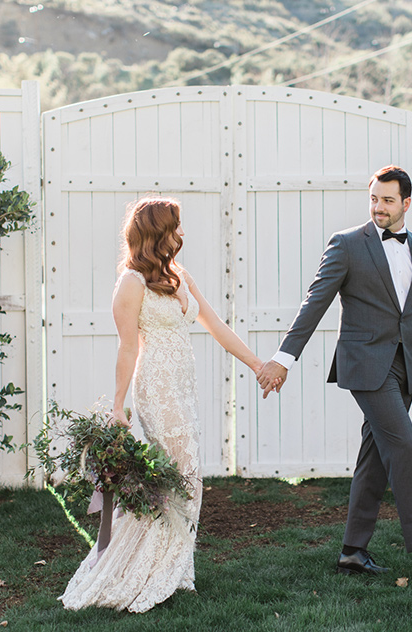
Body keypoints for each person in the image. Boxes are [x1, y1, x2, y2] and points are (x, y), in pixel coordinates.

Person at [60, 196, 270, 613]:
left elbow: (216, 326)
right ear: (157, 234)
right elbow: (125, 348)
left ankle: (171, 570)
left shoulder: (178, 275)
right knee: (185, 480)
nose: (182, 233)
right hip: (156, 388)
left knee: (182, 482)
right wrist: (118, 407)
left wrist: (258, 364)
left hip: (183, 388)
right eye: (175, 226)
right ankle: (141, 573)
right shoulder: (131, 282)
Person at [258, 165, 412, 581]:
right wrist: (283, 358)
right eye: (373, 198)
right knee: (402, 445)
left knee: (375, 458)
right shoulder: (348, 245)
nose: (378, 207)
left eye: (387, 200)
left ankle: (353, 551)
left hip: (404, 368)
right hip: (365, 367)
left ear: (406, 203)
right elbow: (315, 303)